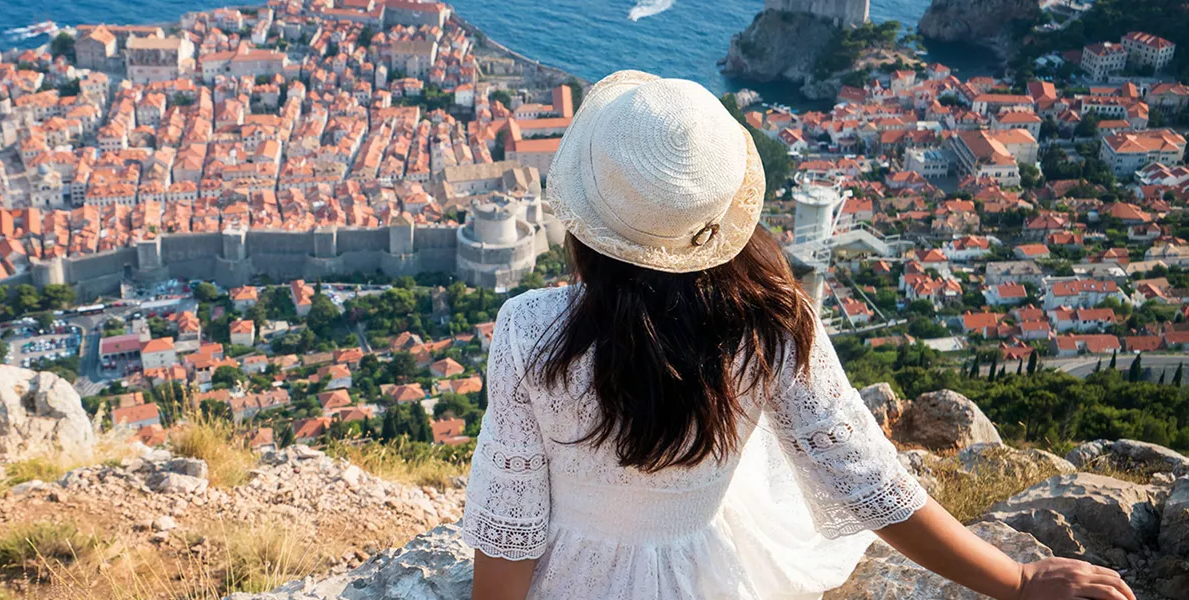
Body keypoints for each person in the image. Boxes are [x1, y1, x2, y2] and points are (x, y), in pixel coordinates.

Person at [461, 70, 1136, 600]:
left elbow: (511, 527)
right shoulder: (773, 323)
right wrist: (1017, 581)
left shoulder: (529, 328)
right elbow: (870, 484)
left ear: (589, 215)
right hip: (717, 577)